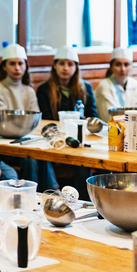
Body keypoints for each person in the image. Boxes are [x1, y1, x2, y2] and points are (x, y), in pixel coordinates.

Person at [0, 44, 58, 191]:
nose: (17, 68)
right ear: (4, 67)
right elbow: (4, 123)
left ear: (25, 66)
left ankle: (50, 193)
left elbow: (36, 121)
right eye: (12, 64)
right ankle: (31, 195)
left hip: (26, 141)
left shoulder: (29, 91)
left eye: (20, 63)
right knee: (30, 158)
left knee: (42, 153)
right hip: (4, 144)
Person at [36, 46, 98, 195]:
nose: (65, 68)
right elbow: (46, 119)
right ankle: (51, 194)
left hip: (79, 139)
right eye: (62, 63)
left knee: (83, 158)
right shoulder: (44, 89)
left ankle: (86, 198)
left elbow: (93, 116)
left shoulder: (85, 88)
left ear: (76, 67)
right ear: (55, 66)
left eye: (70, 64)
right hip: (55, 140)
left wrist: (86, 121)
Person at [94, 47, 137, 121]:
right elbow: (109, 117)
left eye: (126, 65)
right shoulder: (104, 86)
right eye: (118, 64)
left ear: (132, 66)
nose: (123, 69)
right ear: (111, 67)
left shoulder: (135, 84)